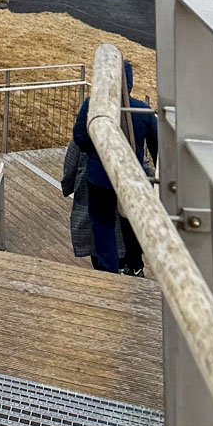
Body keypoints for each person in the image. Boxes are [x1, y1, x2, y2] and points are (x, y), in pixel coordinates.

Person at [72, 59, 157, 275]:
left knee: (102, 223)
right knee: (131, 222)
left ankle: (109, 273)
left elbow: (80, 138)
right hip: (132, 176)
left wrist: (95, 151)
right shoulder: (143, 110)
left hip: (99, 176)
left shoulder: (92, 105)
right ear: (129, 82)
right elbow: (158, 148)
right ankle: (136, 266)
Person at [62, 140, 125, 269]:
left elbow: (70, 166)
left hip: (91, 198)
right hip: (122, 206)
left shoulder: (86, 129)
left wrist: (67, 186)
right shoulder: (126, 133)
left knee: (98, 247)